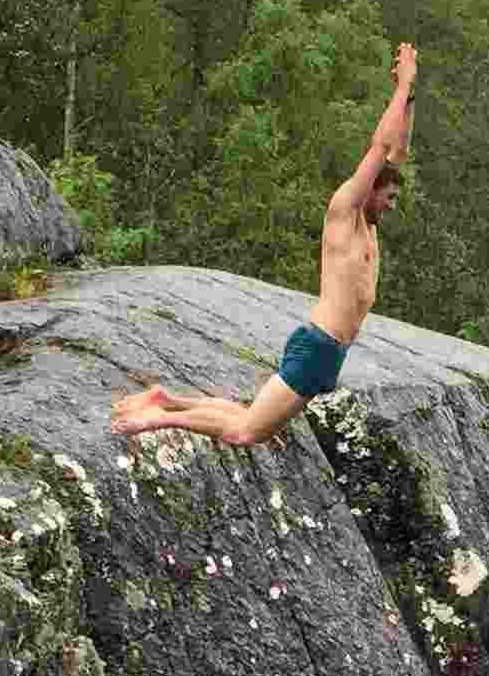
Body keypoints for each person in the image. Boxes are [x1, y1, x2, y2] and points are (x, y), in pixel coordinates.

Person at [111, 42, 416, 446]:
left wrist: (410, 97)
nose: (392, 206)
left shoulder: (370, 225)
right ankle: (153, 420)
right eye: (388, 197)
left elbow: (398, 150)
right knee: (244, 432)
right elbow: (380, 148)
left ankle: (164, 400)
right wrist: (399, 89)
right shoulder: (346, 211)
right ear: (369, 189)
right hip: (318, 346)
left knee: (248, 417)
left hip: (330, 353)